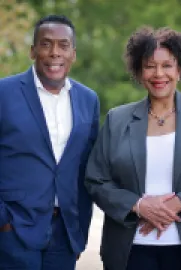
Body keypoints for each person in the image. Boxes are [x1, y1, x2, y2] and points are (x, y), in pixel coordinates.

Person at [85, 26, 181, 270]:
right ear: (139, 70)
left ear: (179, 69)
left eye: (167, 65)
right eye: (149, 66)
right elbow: (96, 181)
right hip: (129, 251)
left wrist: (179, 203)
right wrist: (139, 206)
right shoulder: (117, 119)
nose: (159, 74)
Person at [0, 15, 99, 270]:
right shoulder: (4, 93)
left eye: (63, 45)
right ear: (33, 51)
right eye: (46, 44)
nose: (55, 53)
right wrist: (3, 221)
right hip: (13, 233)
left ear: (73, 54)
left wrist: (79, 233)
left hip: (65, 236)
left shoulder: (88, 100)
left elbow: (86, 168)